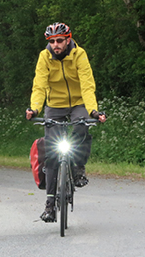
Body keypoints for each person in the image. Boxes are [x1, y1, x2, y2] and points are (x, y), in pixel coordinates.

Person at [25, 22, 106, 223]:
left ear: (68, 39)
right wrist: (34, 108)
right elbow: (40, 85)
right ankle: (50, 205)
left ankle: (78, 167)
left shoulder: (79, 55)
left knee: (81, 127)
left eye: (60, 40)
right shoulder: (45, 57)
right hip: (55, 105)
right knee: (52, 153)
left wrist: (93, 110)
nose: (56, 45)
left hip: (78, 103)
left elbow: (87, 85)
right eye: (52, 42)